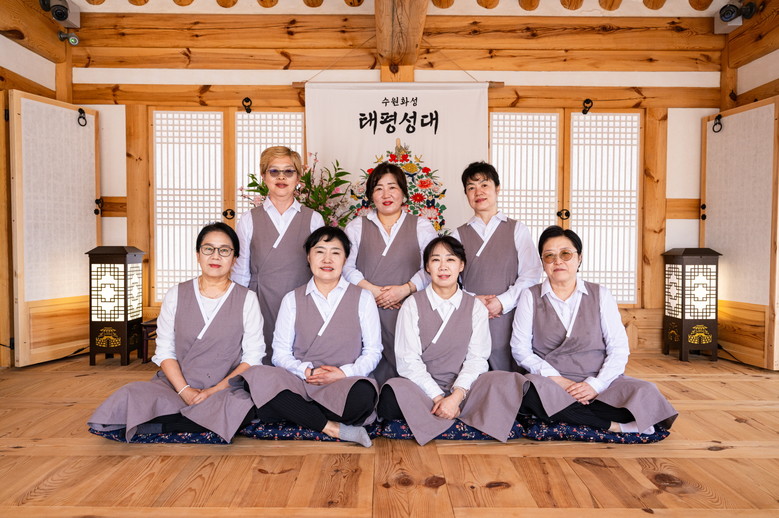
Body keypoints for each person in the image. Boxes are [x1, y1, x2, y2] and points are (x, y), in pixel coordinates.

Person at [89, 222, 264, 442]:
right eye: (208, 249)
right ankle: (204, 423)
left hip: (224, 389)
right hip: (175, 386)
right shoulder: (176, 294)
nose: (215, 256)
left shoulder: (247, 299)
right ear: (198, 254)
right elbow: (165, 351)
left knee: (245, 406)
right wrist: (185, 391)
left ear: (235, 258)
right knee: (130, 394)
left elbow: (252, 357)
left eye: (224, 250)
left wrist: (211, 392)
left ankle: (161, 424)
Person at [511, 225, 678, 434]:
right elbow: (520, 349)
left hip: (599, 381)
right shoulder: (530, 296)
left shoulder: (601, 294)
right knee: (525, 391)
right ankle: (614, 426)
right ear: (542, 262)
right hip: (550, 383)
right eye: (549, 256)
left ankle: (568, 416)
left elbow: (618, 348)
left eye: (565, 254)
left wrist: (595, 385)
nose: (557, 261)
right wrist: (559, 381)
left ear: (579, 258)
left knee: (645, 392)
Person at [377, 236, 528, 446]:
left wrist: (456, 396)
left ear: (461, 265)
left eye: (450, 259)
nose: (443, 266)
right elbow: (408, 360)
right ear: (427, 267)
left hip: (466, 389)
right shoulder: (412, 304)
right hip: (422, 390)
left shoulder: (475, 306)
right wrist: (439, 398)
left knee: (506, 383)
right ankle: (465, 418)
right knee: (391, 393)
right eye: (435, 260)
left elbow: (477, 359)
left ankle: (435, 418)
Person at [239, 226, 382, 447]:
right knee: (255, 376)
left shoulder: (363, 298)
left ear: (345, 259)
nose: (327, 259)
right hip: (299, 382)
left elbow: (373, 351)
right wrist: (307, 372)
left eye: (335, 252)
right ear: (308, 257)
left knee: (363, 396)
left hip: (343, 384)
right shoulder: (292, 299)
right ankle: (332, 427)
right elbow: (280, 354)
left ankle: (297, 414)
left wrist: (343, 373)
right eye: (319, 251)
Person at [343, 162, 437, 384]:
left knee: (408, 366)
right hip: (365, 307)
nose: (386, 194)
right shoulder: (356, 227)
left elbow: (432, 266)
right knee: (366, 365)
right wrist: (374, 291)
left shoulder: (421, 226)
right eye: (379, 188)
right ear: (371, 195)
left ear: (403, 192)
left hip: (408, 308)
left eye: (392, 187)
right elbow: (345, 267)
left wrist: (405, 289)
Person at [232, 146, 325, 362]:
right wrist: (239, 309)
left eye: (289, 171)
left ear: (298, 178)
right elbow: (241, 271)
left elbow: (321, 270)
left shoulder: (314, 219)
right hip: (260, 301)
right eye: (274, 171)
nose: (281, 177)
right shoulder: (248, 219)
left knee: (299, 358)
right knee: (260, 358)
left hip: (302, 300)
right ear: (264, 176)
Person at [451, 161, 542, 371]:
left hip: (509, 315)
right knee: (471, 372)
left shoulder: (517, 229)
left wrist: (502, 302)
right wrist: (473, 301)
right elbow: (450, 281)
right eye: (471, 187)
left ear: (497, 188)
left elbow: (531, 274)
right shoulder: (458, 234)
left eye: (484, 185)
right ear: (466, 194)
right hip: (470, 314)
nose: (478, 192)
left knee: (509, 374)